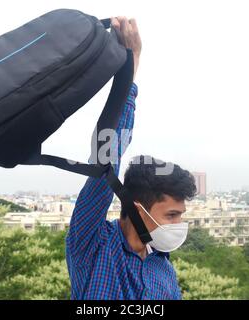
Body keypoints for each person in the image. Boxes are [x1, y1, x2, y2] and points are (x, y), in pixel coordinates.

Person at [66, 17, 197, 300]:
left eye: (180, 216)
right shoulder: (93, 246)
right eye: (172, 215)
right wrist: (130, 63)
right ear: (138, 210)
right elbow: (107, 159)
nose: (179, 226)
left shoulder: (163, 269)